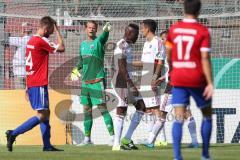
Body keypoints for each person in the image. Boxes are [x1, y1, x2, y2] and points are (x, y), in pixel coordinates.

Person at [6, 16, 65, 152]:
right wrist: (57, 30)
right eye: (50, 30)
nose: (50, 33)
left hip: (33, 83)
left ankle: (47, 146)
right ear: (45, 29)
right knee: (42, 115)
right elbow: (62, 48)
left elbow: (28, 66)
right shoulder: (41, 41)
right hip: (39, 83)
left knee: (46, 112)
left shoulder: (31, 41)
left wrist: (27, 86)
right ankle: (13, 133)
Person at [166, 0, 213, 159]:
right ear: (199, 11)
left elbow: (168, 52)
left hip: (178, 77)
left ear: (184, 9)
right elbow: (205, 58)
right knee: (207, 115)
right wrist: (210, 83)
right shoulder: (203, 31)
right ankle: (205, 155)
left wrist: (172, 68)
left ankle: (177, 157)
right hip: (196, 77)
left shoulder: (174, 29)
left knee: (178, 118)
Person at [70, 21, 114, 145]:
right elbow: (81, 61)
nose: (91, 30)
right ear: (85, 29)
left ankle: (113, 137)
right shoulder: (83, 44)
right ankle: (87, 139)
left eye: (94, 28)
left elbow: (104, 36)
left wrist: (106, 31)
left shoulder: (99, 41)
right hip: (85, 83)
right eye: (89, 28)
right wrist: (75, 70)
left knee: (102, 108)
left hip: (97, 81)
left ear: (96, 30)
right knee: (86, 109)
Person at [111, 23, 146, 151]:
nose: (138, 36)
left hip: (126, 81)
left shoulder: (128, 46)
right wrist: (131, 85)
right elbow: (121, 67)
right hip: (120, 81)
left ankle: (126, 138)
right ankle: (116, 144)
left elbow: (127, 64)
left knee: (141, 107)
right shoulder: (122, 45)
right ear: (129, 33)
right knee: (122, 109)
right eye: (136, 34)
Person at [132, 19, 166, 148]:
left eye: (142, 28)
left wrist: (155, 77)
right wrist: (128, 63)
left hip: (151, 79)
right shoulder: (146, 43)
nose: (141, 30)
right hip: (144, 79)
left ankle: (160, 139)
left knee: (156, 109)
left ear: (147, 28)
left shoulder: (158, 42)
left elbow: (160, 62)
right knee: (148, 109)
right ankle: (151, 138)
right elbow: (143, 63)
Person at [9, 22, 32, 89]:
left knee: (20, 94)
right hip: (29, 73)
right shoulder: (32, 40)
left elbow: (4, 38)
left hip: (19, 72)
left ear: (23, 30)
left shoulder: (21, 40)